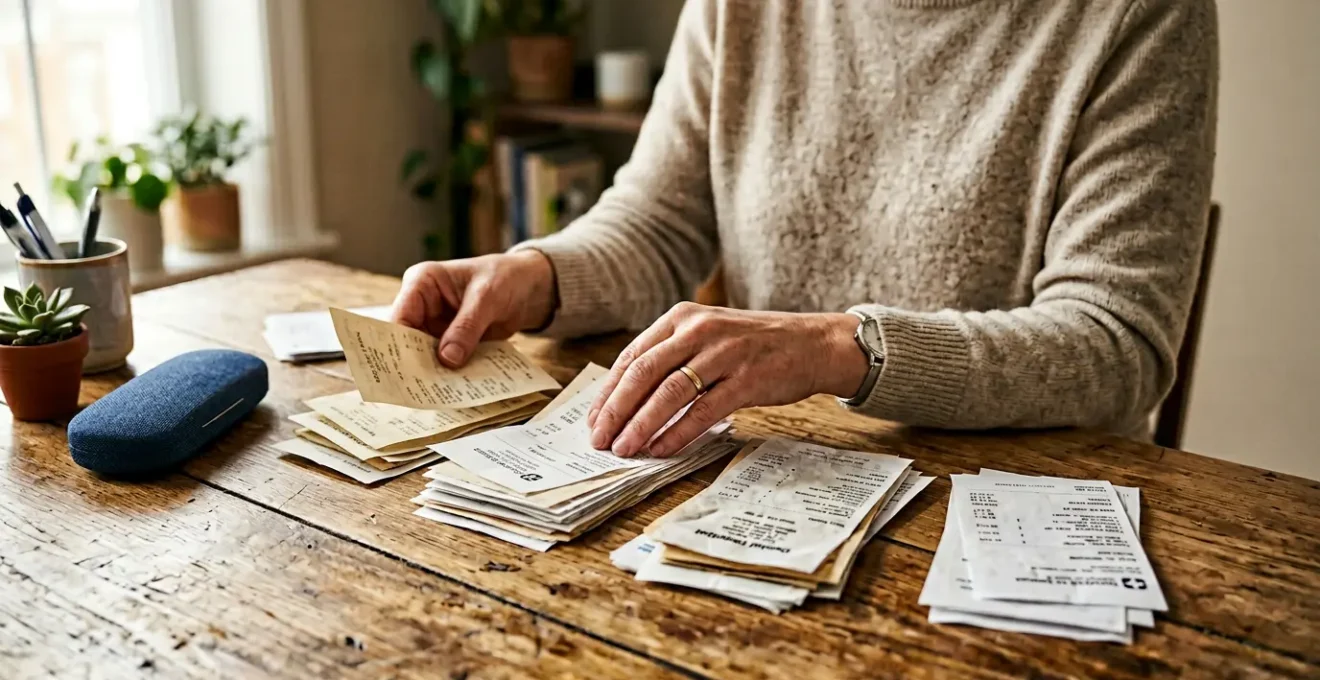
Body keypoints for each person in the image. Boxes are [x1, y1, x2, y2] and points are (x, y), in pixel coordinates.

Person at [392, 0, 1218, 460]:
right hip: (782, 472)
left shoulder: (1141, 15)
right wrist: (539, 274)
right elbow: (661, 216)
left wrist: (835, 347)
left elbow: (1118, 346)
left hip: (1020, 507)